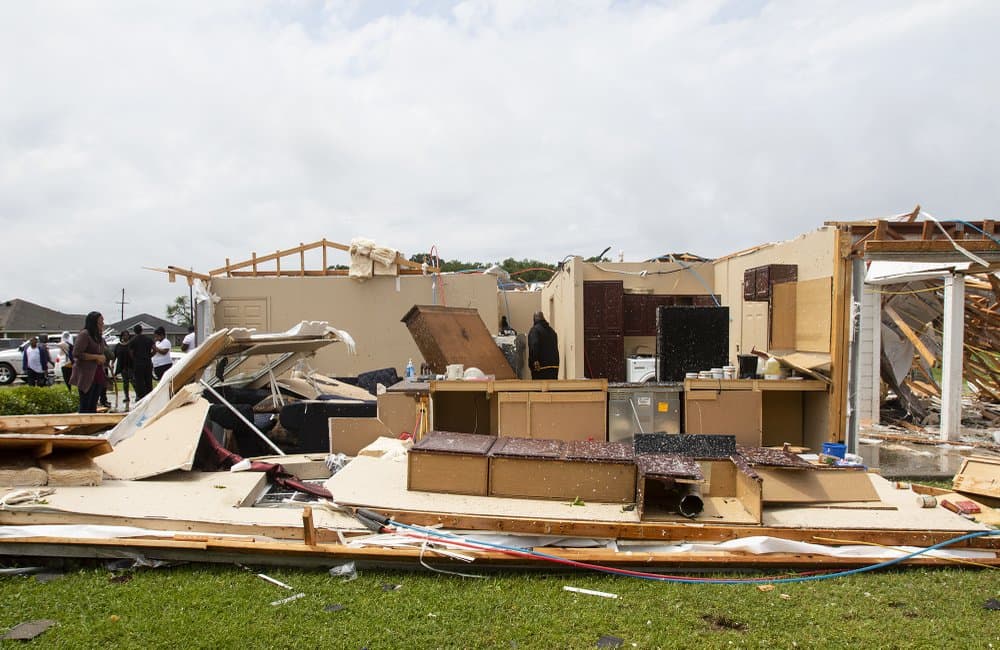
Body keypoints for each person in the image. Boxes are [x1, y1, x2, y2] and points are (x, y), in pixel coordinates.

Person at [69, 312, 108, 413]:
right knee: (86, 404)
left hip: (98, 373)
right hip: (86, 374)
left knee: (93, 404)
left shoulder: (99, 337)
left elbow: (103, 352)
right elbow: (76, 353)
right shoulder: (85, 334)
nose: (103, 323)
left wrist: (103, 357)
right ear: (94, 322)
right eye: (100, 321)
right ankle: (83, 425)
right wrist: (96, 357)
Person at [527, 312, 559, 380]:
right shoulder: (552, 331)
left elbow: (534, 345)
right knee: (552, 388)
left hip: (540, 367)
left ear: (534, 320)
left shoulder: (535, 330)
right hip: (554, 366)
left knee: (539, 388)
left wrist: (535, 360)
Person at [130, 324, 155, 400]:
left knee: (139, 381)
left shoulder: (133, 340)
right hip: (147, 363)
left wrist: (135, 359)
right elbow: (155, 349)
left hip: (138, 363)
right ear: (142, 330)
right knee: (148, 380)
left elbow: (130, 352)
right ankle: (149, 396)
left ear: (134, 331)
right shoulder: (148, 339)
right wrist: (149, 356)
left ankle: (141, 397)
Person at [114, 330, 134, 409]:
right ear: (121, 336)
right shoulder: (118, 346)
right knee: (125, 383)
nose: (126, 337)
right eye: (124, 335)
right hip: (122, 367)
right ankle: (126, 396)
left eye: (127, 335)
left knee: (133, 381)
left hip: (131, 365)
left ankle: (138, 395)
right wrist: (112, 363)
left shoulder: (131, 344)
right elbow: (114, 355)